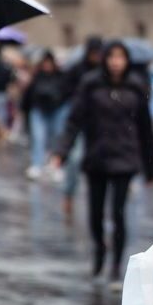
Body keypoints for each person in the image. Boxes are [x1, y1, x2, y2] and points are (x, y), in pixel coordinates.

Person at [53, 41, 153, 282]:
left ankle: (116, 264)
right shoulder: (90, 85)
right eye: (111, 56)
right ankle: (100, 251)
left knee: (119, 213)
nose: (115, 61)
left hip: (125, 157)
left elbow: (146, 130)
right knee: (95, 214)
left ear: (127, 60)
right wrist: (62, 150)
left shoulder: (135, 87)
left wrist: (151, 167)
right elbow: (74, 121)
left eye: (120, 57)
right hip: (97, 157)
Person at [60, 36, 104, 218]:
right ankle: (69, 192)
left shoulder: (104, 72)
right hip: (80, 119)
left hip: (99, 122)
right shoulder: (78, 70)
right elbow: (65, 90)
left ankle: (98, 203)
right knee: (75, 158)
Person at [22, 51, 68, 181]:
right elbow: (29, 95)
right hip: (39, 110)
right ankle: (37, 164)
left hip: (56, 110)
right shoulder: (37, 76)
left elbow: (66, 92)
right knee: (38, 137)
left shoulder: (61, 76)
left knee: (57, 137)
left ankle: (56, 164)